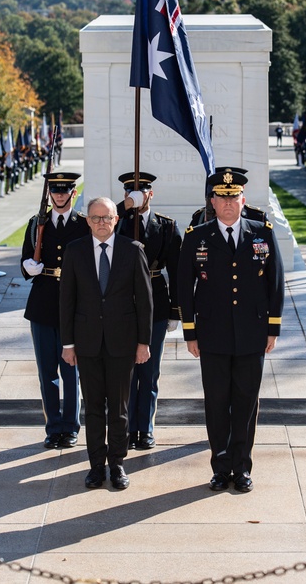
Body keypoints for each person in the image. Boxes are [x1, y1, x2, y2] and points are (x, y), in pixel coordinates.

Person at [178, 168, 285, 493]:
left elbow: (275, 282)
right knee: (216, 403)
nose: (227, 204)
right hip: (212, 335)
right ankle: (220, 467)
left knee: (246, 403)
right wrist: (190, 332)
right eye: (221, 198)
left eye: (233, 197)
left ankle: (242, 468)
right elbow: (184, 286)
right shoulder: (198, 236)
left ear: (243, 199)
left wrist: (273, 327)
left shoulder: (261, 233)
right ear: (213, 200)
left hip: (252, 334)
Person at [60, 197, 153, 490]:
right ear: (87, 220)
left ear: (117, 220)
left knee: (119, 407)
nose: (102, 222)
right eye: (96, 217)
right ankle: (96, 466)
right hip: (87, 343)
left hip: (122, 343)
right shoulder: (74, 251)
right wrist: (67, 344)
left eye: (107, 217)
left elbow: (146, 303)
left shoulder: (132, 250)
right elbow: (66, 301)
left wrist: (143, 342)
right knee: (93, 408)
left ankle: (117, 463)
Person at [21, 172, 88, 448]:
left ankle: (70, 426)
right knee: (46, 370)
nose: (59, 196)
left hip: (74, 305)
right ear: (50, 194)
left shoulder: (84, 225)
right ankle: (53, 427)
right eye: (55, 191)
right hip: (43, 303)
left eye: (65, 191)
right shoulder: (38, 223)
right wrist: (28, 266)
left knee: (70, 369)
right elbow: (26, 258)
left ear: (73, 193)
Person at [115, 172, 181, 450]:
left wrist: (176, 311)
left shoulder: (166, 226)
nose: (137, 198)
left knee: (149, 371)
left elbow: (177, 271)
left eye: (142, 194)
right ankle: (127, 428)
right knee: (125, 372)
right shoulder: (116, 222)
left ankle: (146, 428)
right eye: (131, 194)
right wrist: (125, 209)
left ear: (151, 194)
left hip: (155, 300)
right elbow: (93, 233)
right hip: (123, 304)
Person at [187, 167, 268, 229]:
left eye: (233, 195)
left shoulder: (257, 217)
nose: (228, 202)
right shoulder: (200, 217)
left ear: (243, 188)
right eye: (222, 196)